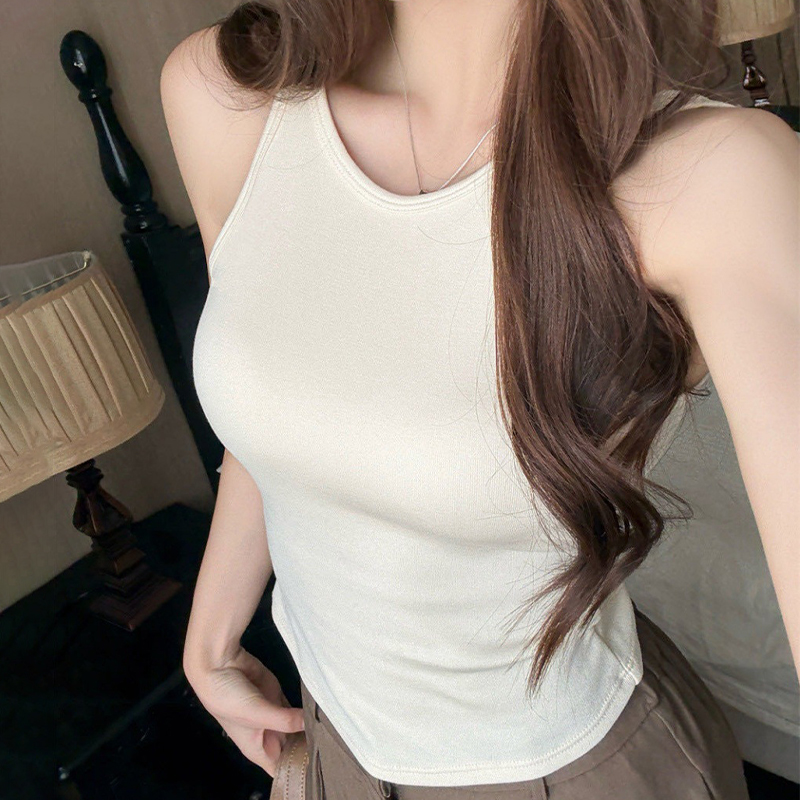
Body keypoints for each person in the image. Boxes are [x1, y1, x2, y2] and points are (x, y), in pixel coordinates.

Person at [160, 1, 799, 797]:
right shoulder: (225, 94)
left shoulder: (717, 180)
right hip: (333, 738)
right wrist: (212, 632)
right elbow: (292, 405)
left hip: (571, 770)